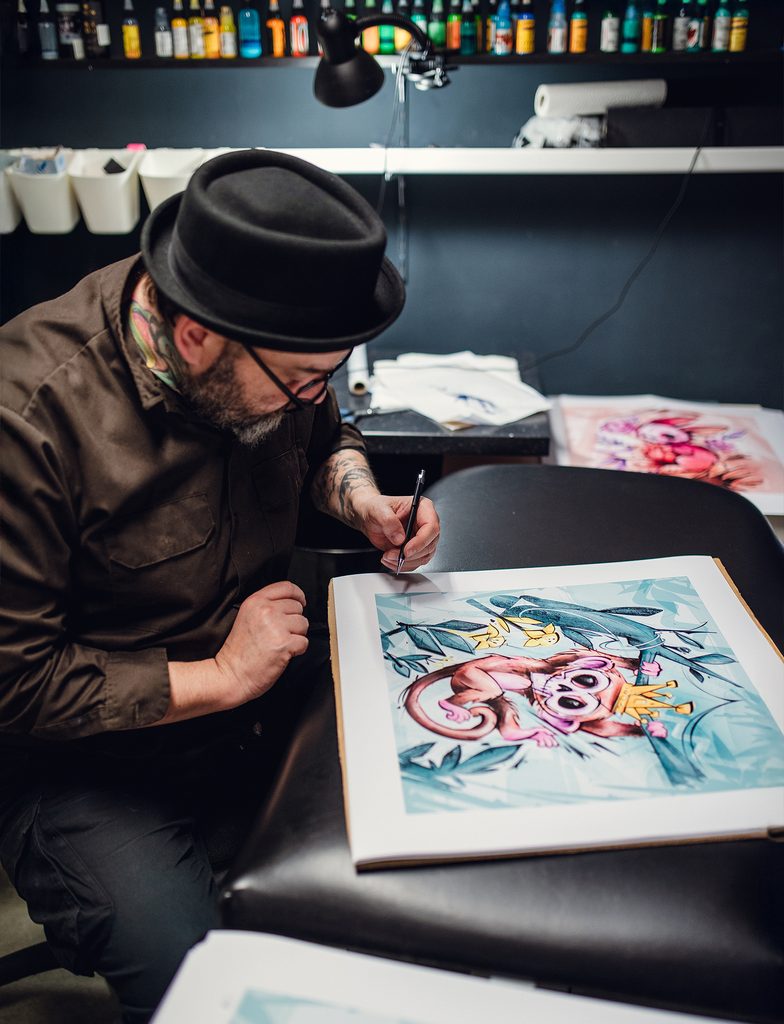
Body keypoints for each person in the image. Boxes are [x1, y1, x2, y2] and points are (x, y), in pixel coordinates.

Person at [0, 149, 440, 1022]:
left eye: (326, 376)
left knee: (438, 851)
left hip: (261, 700)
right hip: (90, 761)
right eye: (300, 381)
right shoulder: (27, 422)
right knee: (212, 997)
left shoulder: (267, 341)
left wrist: (360, 501)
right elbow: (15, 681)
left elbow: (324, 443)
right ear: (196, 337)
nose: (313, 396)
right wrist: (223, 675)